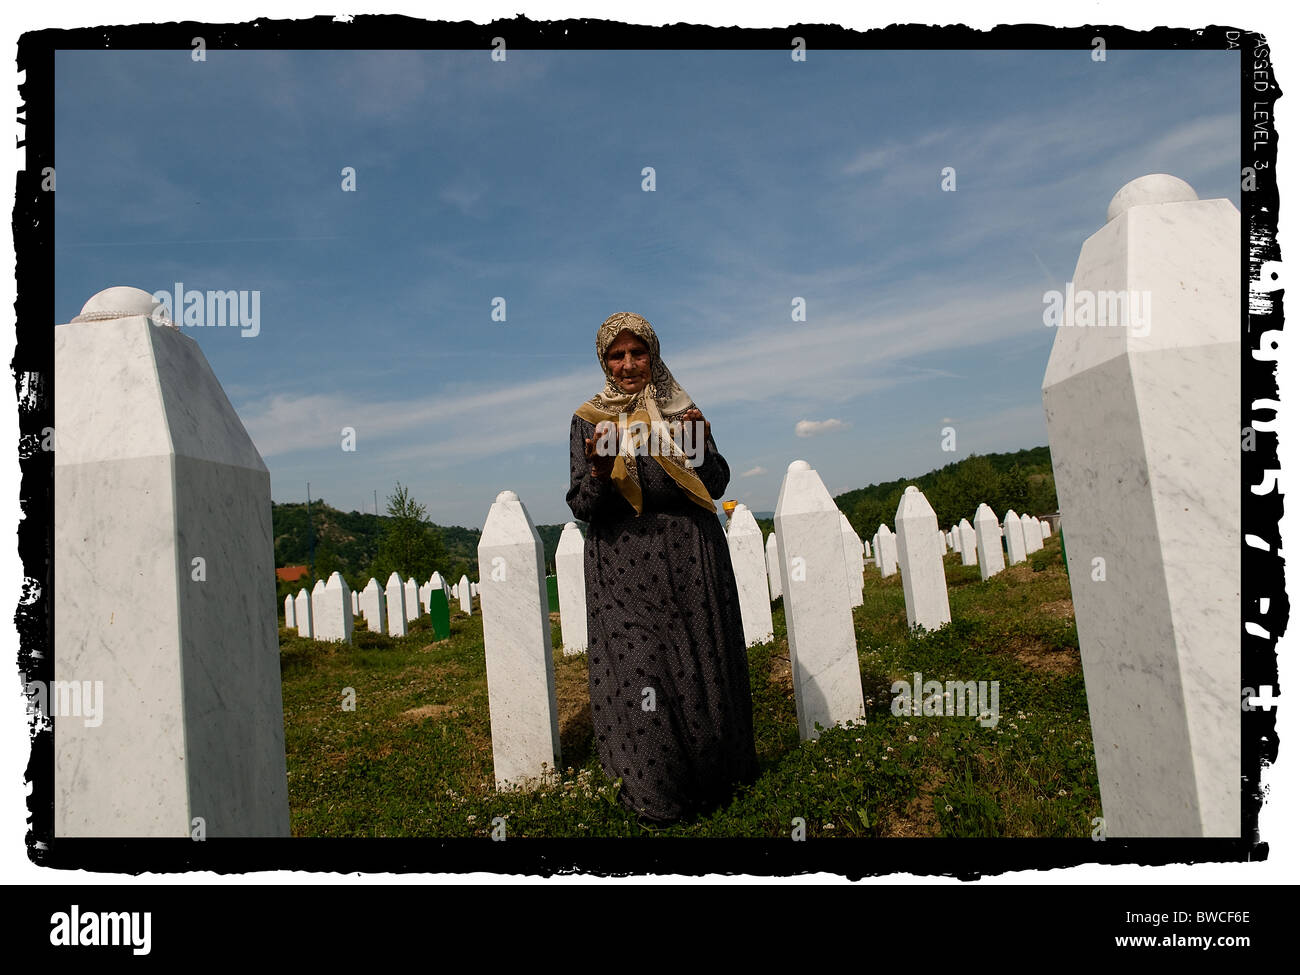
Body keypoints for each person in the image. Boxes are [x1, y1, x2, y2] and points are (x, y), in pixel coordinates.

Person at [565, 311, 758, 824]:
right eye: (617, 354)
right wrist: (602, 475)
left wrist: (696, 446)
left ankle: (716, 781)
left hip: (690, 557)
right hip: (624, 566)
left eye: (638, 352)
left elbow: (714, 484)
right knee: (641, 672)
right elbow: (583, 505)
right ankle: (657, 795)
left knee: (698, 667)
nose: (628, 364)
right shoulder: (590, 420)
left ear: (653, 353)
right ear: (603, 360)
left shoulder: (681, 410)